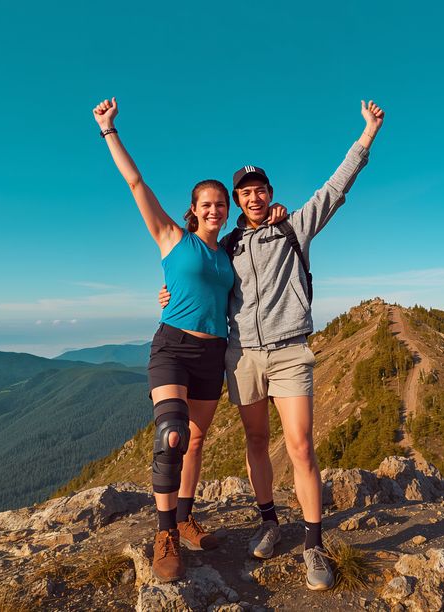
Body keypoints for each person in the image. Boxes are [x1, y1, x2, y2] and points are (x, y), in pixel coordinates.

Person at [159, 99, 385, 590]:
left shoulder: (292, 228)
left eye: (259, 190)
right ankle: (268, 521)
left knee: (301, 446)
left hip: (288, 352)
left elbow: (334, 189)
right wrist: (169, 292)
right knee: (256, 442)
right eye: (245, 193)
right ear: (237, 202)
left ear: (270, 194)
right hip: (240, 355)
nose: (253, 198)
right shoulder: (228, 243)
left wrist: (365, 137)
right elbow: (197, 276)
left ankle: (314, 545)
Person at [92, 96, 287, 582]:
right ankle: (165, 536)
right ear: (194, 209)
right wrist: (109, 130)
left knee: (196, 442)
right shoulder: (172, 237)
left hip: (212, 354)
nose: (216, 209)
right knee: (172, 436)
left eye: (222, 204)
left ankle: (184, 516)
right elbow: (137, 184)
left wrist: (277, 212)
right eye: (208, 204)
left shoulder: (230, 251)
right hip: (173, 347)